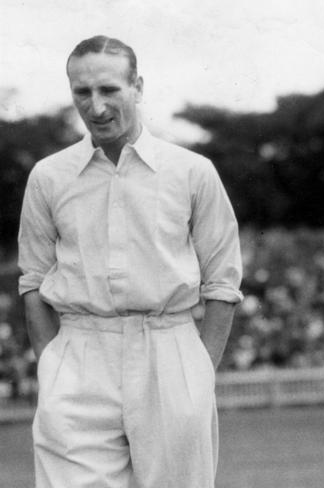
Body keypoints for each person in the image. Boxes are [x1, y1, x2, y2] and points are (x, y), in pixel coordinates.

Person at [18, 35, 243, 488]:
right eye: (82, 92)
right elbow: (33, 282)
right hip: (79, 354)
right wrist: (52, 364)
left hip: (169, 347)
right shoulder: (49, 176)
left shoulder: (191, 171)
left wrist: (198, 370)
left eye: (109, 90)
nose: (96, 107)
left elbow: (222, 282)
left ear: (137, 86)